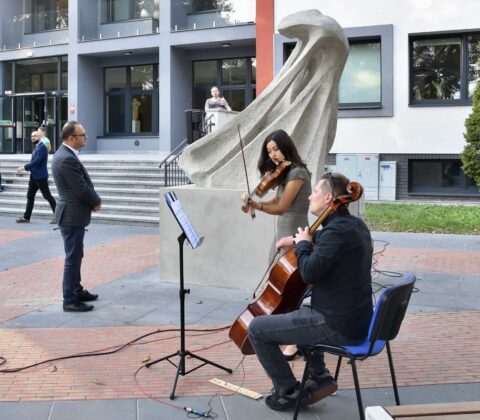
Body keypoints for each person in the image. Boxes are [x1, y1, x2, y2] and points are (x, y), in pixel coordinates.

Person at [248, 172, 373, 412]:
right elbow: (331, 246)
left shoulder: (335, 233)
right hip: (355, 319)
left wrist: (304, 244)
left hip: (338, 325)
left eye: (314, 191)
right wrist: (301, 241)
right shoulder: (353, 226)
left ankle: (288, 391)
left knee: (258, 329)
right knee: (301, 310)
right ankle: (320, 376)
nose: (309, 197)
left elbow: (308, 273)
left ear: (328, 198)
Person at [52, 121, 102, 313]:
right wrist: (95, 202)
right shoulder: (67, 158)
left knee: (76, 254)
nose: (85, 138)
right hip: (71, 215)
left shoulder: (64, 154)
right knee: (72, 258)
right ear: (71, 138)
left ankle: (76, 290)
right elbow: (80, 187)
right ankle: (70, 299)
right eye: (82, 135)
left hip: (71, 214)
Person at [241, 130, 311, 260]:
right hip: (283, 231)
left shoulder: (297, 173)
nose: (272, 155)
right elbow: (275, 200)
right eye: (269, 151)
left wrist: (258, 205)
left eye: (276, 149)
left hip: (294, 230)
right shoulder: (287, 171)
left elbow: (281, 207)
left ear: (285, 147)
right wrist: (253, 204)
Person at [15, 131, 56, 224]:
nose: (33, 138)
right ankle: (26, 217)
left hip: (41, 177)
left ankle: (58, 216)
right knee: (30, 196)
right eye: (32, 136)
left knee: (47, 196)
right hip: (34, 176)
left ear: (40, 137)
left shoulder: (42, 148)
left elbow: (37, 161)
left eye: (35, 136)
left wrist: (24, 168)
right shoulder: (37, 147)